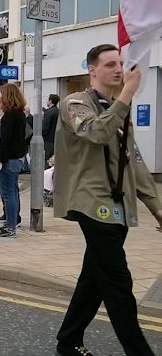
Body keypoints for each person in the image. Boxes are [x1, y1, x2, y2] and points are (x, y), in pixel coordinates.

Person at [54, 44, 162, 356]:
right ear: (92, 70)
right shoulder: (74, 103)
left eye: (121, 64)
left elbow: (133, 161)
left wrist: (155, 207)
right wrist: (127, 94)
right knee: (118, 282)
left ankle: (68, 340)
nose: (119, 69)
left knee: (94, 278)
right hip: (91, 203)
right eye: (110, 64)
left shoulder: (117, 108)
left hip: (119, 206)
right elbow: (95, 132)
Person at [0, 83, 27, 238]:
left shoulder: (10, 115)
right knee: (12, 192)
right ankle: (10, 224)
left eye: (2, 94)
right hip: (16, 158)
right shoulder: (20, 113)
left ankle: (10, 227)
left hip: (8, 159)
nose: (1, 97)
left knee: (8, 194)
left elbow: (5, 140)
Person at [42, 93, 59, 168]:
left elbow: (45, 127)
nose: (47, 102)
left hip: (48, 140)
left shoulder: (48, 112)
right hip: (56, 139)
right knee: (53, 160)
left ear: (50, 101)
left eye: (48, 100)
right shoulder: (58, 111)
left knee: (46, 160)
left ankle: (46, 177)